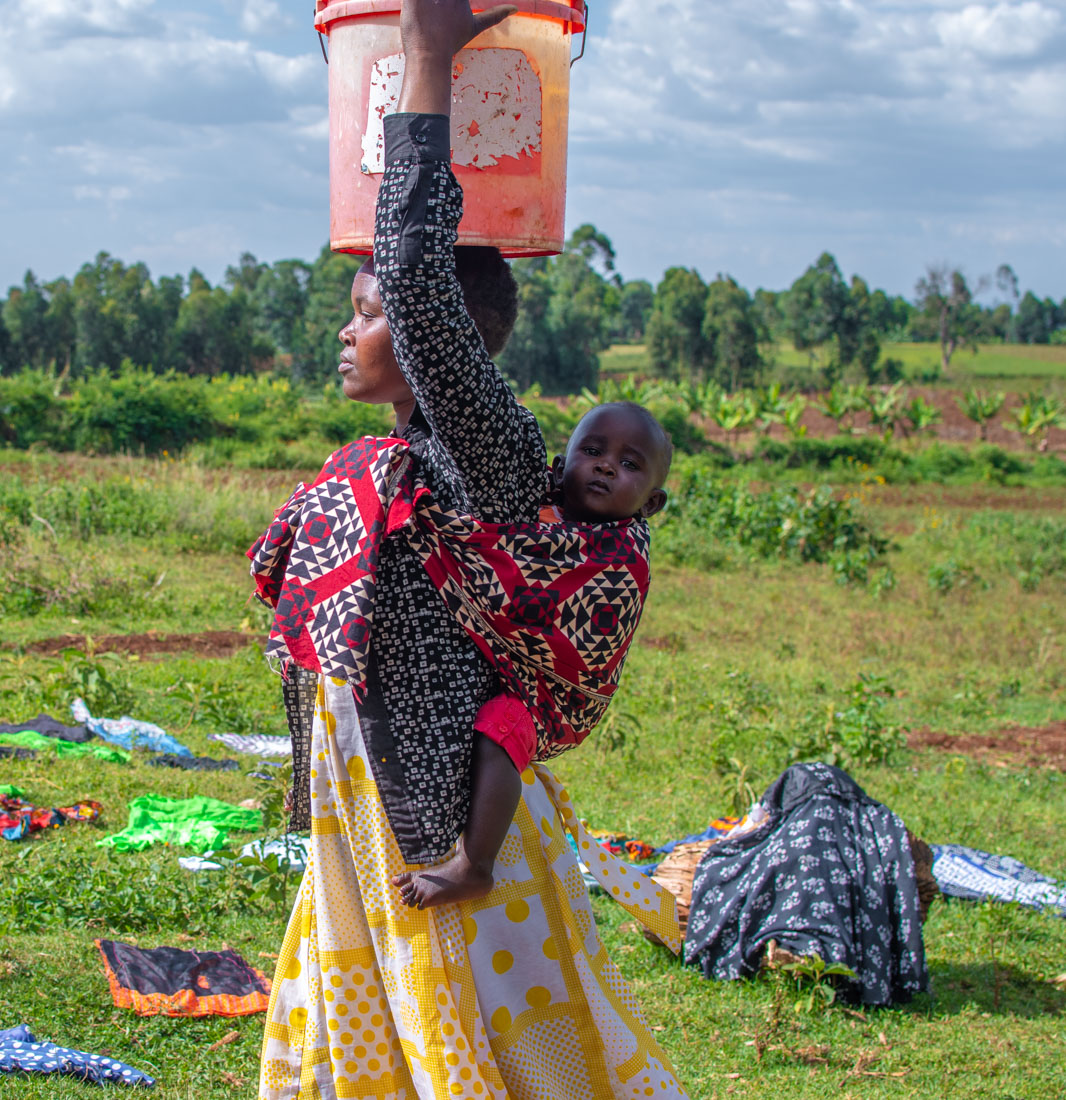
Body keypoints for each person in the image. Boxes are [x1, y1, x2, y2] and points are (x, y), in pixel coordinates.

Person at [251, 2, 687, 1097]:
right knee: (389, 1013)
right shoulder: (403, 455)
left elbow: (413, 268)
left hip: (438, 804)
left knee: (492, 1029)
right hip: (366, 783)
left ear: (430, 325)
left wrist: (428, 65)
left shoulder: (485, 451)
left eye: (368, 310)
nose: (349, 331)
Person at [392, 401, 672, 910]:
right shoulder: (525, 500)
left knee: (501, 726)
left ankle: (474, 865)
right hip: (492, 662)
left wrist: (452, 542)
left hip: (551, 698)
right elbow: (503, 548)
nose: (607, 465)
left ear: (652, 504)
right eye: (592, 451)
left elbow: (525, 587)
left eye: (630, 464)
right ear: (560, 465)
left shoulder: (623, 556)